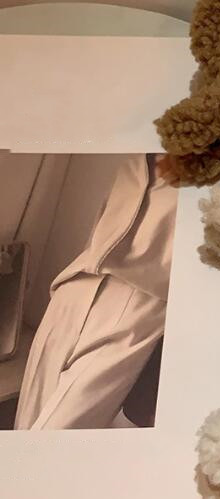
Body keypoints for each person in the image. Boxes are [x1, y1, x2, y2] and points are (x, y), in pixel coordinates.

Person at [14, 153, 177, 429]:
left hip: (138, 305)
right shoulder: (136, 159)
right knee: (24, 428)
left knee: (55, 435)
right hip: (75, 287)